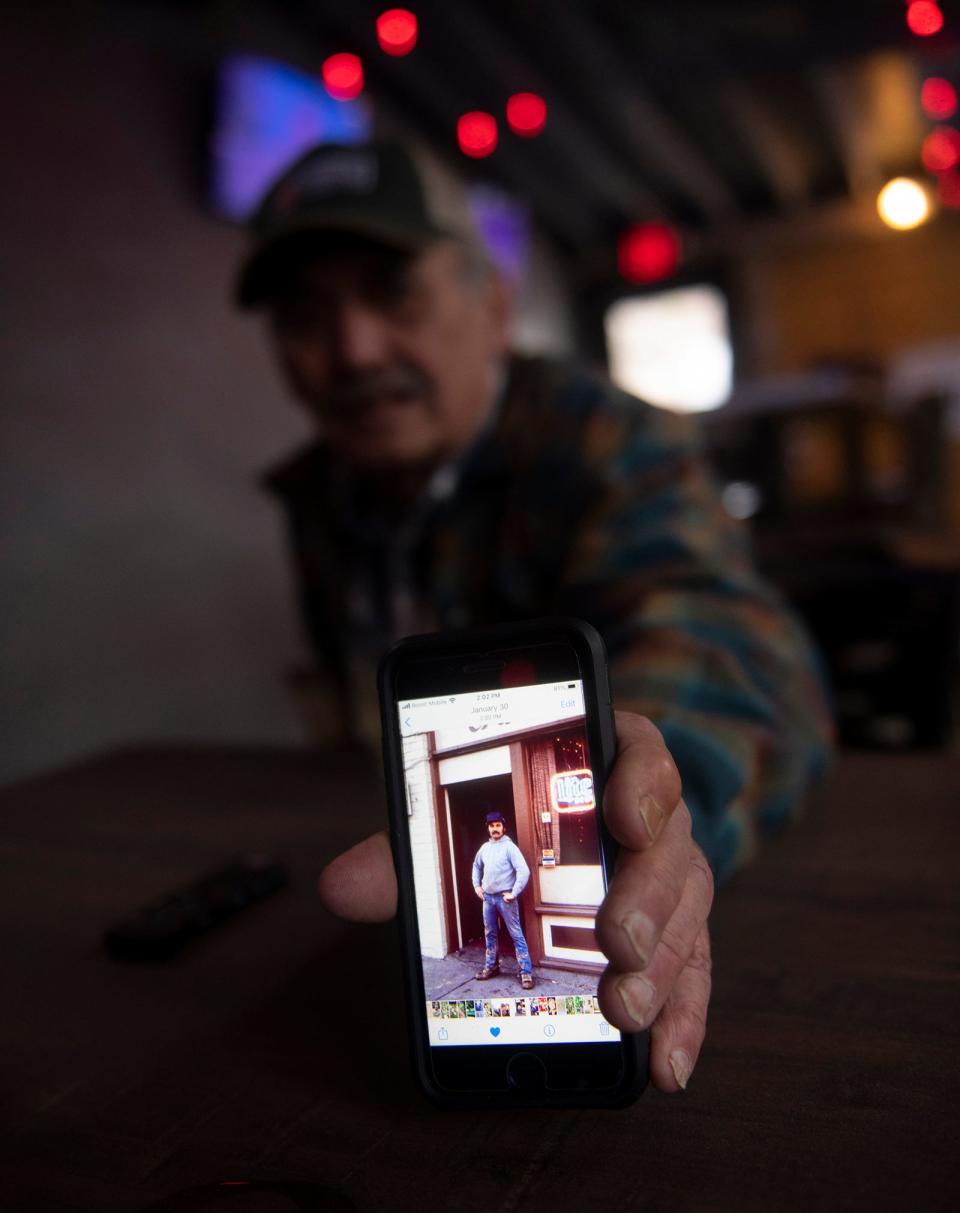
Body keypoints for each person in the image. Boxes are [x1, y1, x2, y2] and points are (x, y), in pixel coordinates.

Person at [234, 139, 833, 1094]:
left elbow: (737, 648)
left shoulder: (610, 439)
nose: (351, 349)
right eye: (306, 316)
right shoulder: (318, 498)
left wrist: (649, 803)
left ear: (495, 306)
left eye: (395, 293)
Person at [471, 810, 534, 989]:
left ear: (503, 827)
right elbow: (476, 867)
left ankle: (526, 973)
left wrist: (514, 893)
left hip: (505, 899)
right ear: (488, 829)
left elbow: (524, 871)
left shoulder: (510, 847)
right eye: (492, 826)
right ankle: (491, 967)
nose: (495, 829)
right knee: (490, 934)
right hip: (488, 899)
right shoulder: (484, 848)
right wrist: (477, 886)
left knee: (516, 935)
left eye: (498, 825)